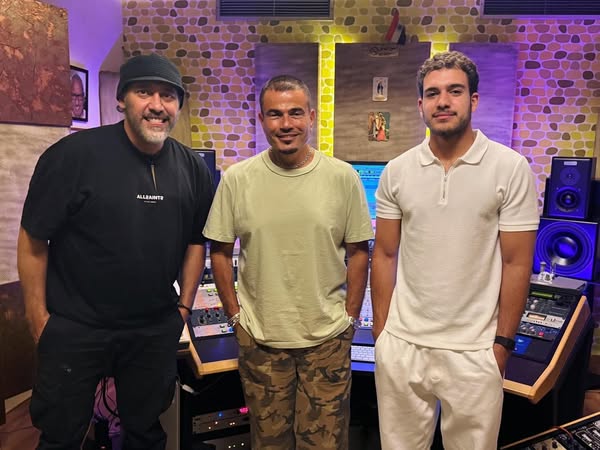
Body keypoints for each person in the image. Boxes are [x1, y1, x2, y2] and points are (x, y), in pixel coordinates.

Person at [17, 53, 214, 450]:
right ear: (122, 99)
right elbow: (33, 238)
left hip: (152, 330)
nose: (157, 105)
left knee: (146, 433)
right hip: (76, 328)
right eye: (144, 92)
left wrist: (183, 308)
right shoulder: (73, 156)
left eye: (168, 95)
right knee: (60, 435)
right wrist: (39, 319)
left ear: (178, 105)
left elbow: (197, 240)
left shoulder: (192, 168)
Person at [371, 50, 539, 450]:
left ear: (473, 100)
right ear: (421, 104)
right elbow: (385, 254)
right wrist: (382, 335)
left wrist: (502, 345)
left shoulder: (510, 168)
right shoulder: (397, 170)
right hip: (403, 346)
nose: (443, 101)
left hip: (475, 350)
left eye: (454, 91)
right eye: (433, 93)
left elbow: (517, 262)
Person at [203, 75, 374, 449]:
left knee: (325, 445)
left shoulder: (342, 177)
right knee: (269, 443)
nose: (286, 124)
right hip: (261, 342)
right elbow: (219, 249)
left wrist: (350, 318)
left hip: (327, 341)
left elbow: (360, 251)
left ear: (311, 116)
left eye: (295, 113)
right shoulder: (237, 179)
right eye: (275, 114)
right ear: (261, 119)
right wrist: (235, 317)